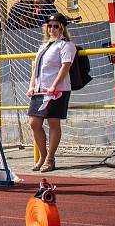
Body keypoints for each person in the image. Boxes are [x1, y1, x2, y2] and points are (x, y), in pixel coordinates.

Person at [26, 13, 77, 173]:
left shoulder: (66, 45)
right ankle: (43, 155)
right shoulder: (43, 46)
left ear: (62, 27)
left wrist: (54, 86)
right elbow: (36, 69)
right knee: (34, 123)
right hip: (40, 90)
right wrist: (31, 85)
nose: (52, 29)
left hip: (57, 90)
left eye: (56, 26)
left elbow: (65, 66)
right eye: (50, 26)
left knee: (53, 123)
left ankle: (50, 158)